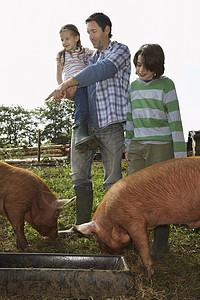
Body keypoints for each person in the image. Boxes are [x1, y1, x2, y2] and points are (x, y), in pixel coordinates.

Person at [47, 12, 131, 235]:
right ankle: (81, 225)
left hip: (111, 123)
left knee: (112, 179)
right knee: (79, 175)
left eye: (94, 31)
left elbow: (101, 71)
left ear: (107, 29)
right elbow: (82, 81)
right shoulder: (88, 58)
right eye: (88, 33)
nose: (91, 36)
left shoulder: (120, 50)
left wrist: (68, 83)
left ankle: (110, 227)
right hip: (86, 125)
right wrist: (70, 91)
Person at [125, 43, 187, 258]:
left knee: (159, 196)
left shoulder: (166, 85)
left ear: (157, 67)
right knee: (132, 191)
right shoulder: (132, 87)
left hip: (161, 147)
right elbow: (130, 118)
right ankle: (131, 237)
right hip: (138, 146)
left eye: (146, 66)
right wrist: (128, 144)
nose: (141, 70)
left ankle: (160, 243)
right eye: (138, 65)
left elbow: (175, 121)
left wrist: (180, 158)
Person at [55, 24, 100, 153]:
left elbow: (97, 52)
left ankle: (88, 130)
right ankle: (80, 135)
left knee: (88, 106)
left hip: (86, 83)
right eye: (62, 40)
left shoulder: (83, 51)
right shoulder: (61, 55)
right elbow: (59, 75)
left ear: (76, 38)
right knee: (82, 106)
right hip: (73, 86)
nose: (64, 42)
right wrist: (62, 88)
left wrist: (110, 46)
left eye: (67, 39)